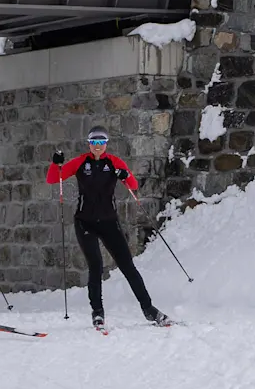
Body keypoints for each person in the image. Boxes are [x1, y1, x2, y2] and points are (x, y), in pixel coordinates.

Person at [46, 127, 170, 329]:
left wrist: (125, 174)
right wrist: (55, 163)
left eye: (101, 142)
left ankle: (149, 309)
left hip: (109, 222)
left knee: (127, 266)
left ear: (106, 144)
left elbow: (133, 185)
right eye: (94, 142)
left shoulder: (113, 162)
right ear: (89, 144)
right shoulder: (80, 162)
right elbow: (53, 178)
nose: (97, 146)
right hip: (84, 222)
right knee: (95, 266)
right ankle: (97, 313)